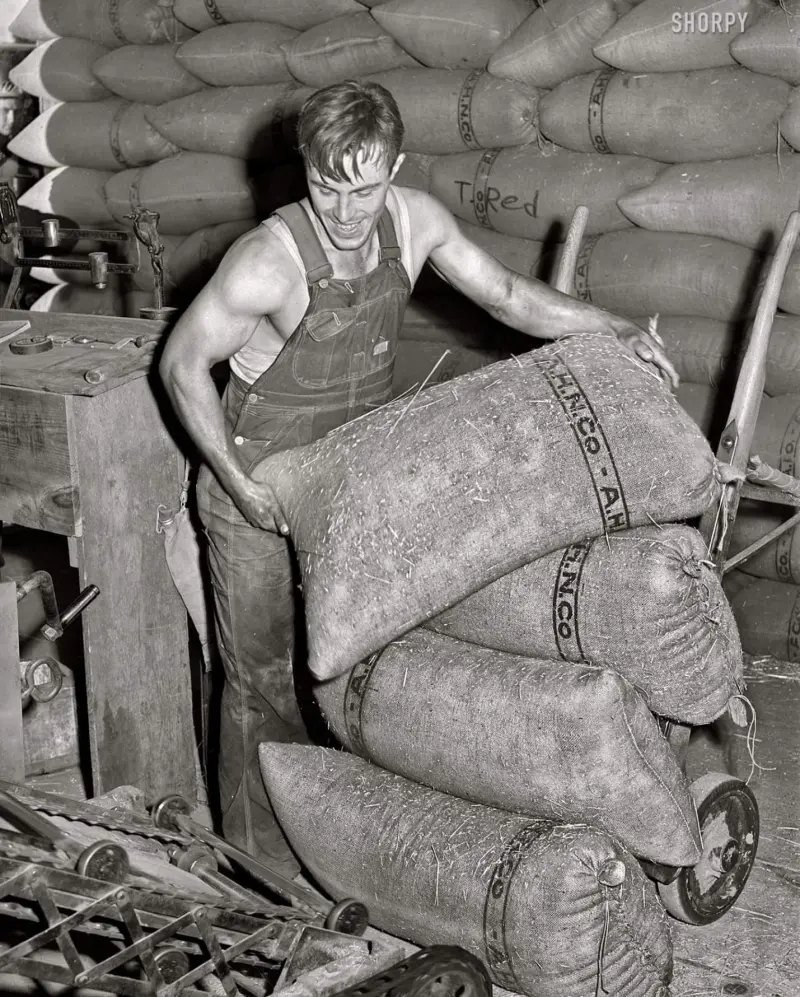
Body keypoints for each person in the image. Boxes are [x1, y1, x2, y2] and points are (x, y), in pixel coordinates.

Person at [159, 80, 678, 878]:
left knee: (345, 671)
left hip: (343, 486)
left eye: (362, 187)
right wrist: (235, 480)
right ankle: (255, 867)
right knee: (259, 678)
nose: (342, 208)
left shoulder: (415, 221)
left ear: (393, 168)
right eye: (326, 185)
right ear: (305, 168)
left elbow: (506, 295)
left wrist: (612, 328)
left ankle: (333, 843)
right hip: (254, 490)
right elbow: (181, 364)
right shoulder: (268, 260)